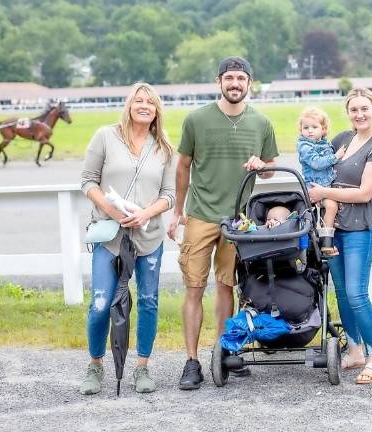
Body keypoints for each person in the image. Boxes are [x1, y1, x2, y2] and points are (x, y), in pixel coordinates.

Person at [167, 56, 279, 390]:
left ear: (249, 83)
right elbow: (183, 166)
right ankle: (191, 361)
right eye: (229, 78)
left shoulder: (261, 123)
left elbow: (271, 167)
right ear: (219, 82)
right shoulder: (197, 119)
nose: (234, 84)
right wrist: (178, 212)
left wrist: (262, 165)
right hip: (201, 215)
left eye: (240, 79)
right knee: (194, 288)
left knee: (227, 286)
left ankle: (225, 351)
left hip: (239, 221)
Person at [79, 82, 176, 394]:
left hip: (148, 238)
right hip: (110, 235)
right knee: (100, 303)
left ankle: (142, 368)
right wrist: (112, 209)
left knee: (148, 301)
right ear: (129, 105)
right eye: (139, 101)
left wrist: (146, 213)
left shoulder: (164, 149)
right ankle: (95, 365)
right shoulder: (105, 136)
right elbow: (88, 181)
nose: (144, 106)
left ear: (156, 109)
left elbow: (170, 195)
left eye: (150, 102)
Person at [308, 88, 372, 384]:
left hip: (358, 227)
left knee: (357, 294)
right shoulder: (342, 139)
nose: (359, 114)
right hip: (332, 229)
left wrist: (324, 193)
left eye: (364, 109)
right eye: (354, 109)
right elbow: (316, 163)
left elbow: (364, 192)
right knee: (342, 292)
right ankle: (354, 350)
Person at [296, 107, 344, 255]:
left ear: (323, 130)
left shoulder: (324, 143)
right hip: (313, 186)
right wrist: (336, 156)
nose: (310, 131)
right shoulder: (304, 146)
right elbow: (316, 163)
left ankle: (326, 241)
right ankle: (315, 244)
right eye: (306, 127)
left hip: (325, 186)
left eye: (314, 127)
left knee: (332, 207)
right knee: (312, 213)